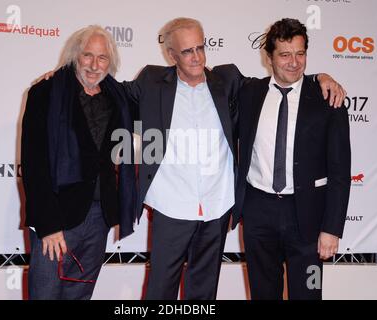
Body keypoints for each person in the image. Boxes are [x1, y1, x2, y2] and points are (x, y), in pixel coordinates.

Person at [39, 17, 345, 300]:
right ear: (172, 55)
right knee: (160, 291)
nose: (197, 57)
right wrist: (64, 77)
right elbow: (106, 89)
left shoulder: (229, 81)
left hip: (216, 207)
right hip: (171, 205)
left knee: (204, 292)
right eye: (187, 51)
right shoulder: (151, 82)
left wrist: (320, 76)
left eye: (201, 47)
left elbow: (288, 79)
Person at [234, 18, 351, 300]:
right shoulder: (249, 93)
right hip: (258, 211)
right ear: (269, 58)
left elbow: (340, 171)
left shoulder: (328, 99)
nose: (294, 62)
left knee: (309, 294)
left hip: (309, 218)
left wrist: (332, 229)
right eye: (285, 55)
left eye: (300, 54)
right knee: (263, 294)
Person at [21, 25, 136, 300]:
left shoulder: (119, 97)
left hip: (99, 218)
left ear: (112, 62)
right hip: (57, 217)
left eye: (103, 58)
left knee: (80, 296)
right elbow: (34, 164)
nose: (95, 65)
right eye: (88, 56)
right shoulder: (46, 93)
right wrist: (48, 225)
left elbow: (158, 96)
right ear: (75, 56)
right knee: (46, 294)